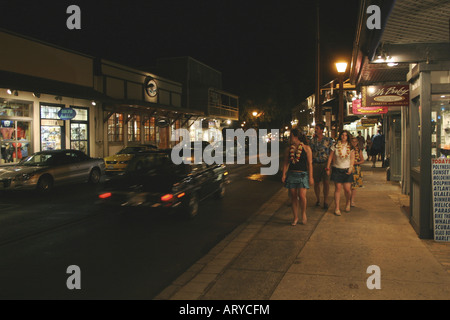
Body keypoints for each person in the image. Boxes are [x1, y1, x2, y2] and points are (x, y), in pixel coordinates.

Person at [282, 129, 314, 225]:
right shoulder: (289, 149)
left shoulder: (306, 148)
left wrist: (311, 177)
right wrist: (284, 174)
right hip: (292, 174)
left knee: (302, 196)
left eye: (290, 136)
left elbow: (310, 163)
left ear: (295, 137)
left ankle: (303, 213)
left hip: (303, 174)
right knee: (293, 196)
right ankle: (295, 217)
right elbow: (286, 163)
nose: (289, 138)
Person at [326, 130, 355, 216]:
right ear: (340, 136)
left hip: (346, 169)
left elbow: (352, 158)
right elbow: (330, 157)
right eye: (342, 135)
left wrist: (351, 167)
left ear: (348, 137)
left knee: (347, 189)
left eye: (345, 135)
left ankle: (347, 203)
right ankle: (337, 208)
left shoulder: (350, 147)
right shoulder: (335, 146)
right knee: (337, 189)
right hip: (337, 169)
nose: (344, 137)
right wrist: (328, 167)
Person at [309, 123, 333, 209]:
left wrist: (329, 165)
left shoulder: (328, 140)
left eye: (317, 128)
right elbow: (310, 152)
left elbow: (331, 152)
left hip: (325, 163)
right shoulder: (312, 141)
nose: (316, 130)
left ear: (322, 130)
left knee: (326, 182)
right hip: (316, 164)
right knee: (316, 183)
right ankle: (318, 199)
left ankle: (325, 200)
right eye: (315, 128)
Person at [350, 137, 364, 206]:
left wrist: (356, 163)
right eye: (353, 141)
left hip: (356, 169)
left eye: (355, 141)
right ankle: (348, 199)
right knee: (348, 186)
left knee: (354, 186)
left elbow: (362, 160)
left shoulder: (359, 151)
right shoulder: (348, 149)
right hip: (349, 168)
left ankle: (352, 200)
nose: (354, 143)